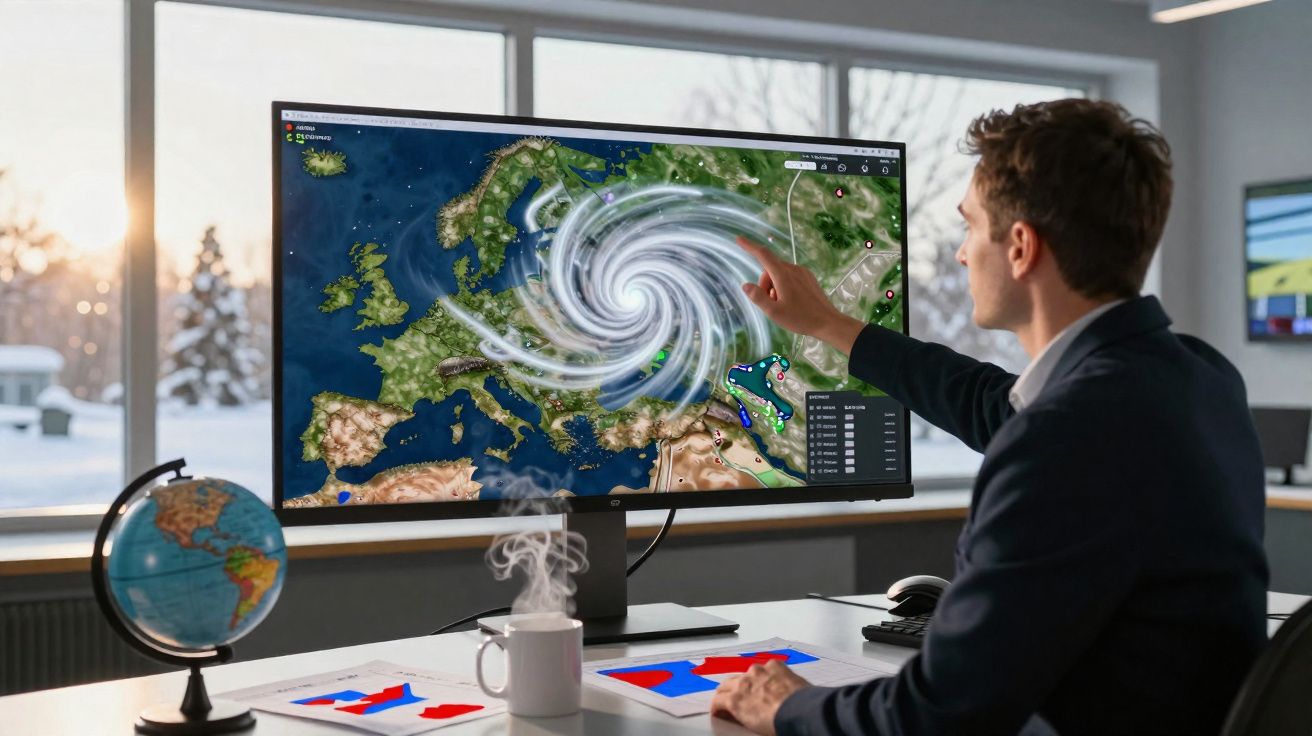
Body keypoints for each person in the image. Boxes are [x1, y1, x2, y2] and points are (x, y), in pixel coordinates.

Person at [710, 99, 1269, 735]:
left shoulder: (1067, 438)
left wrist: (785, 706)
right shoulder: (1197, 379)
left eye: (970, 227)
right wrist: (830, 326)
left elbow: (936, 718)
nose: (960, 254)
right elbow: (992, 403)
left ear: (1021, 247)